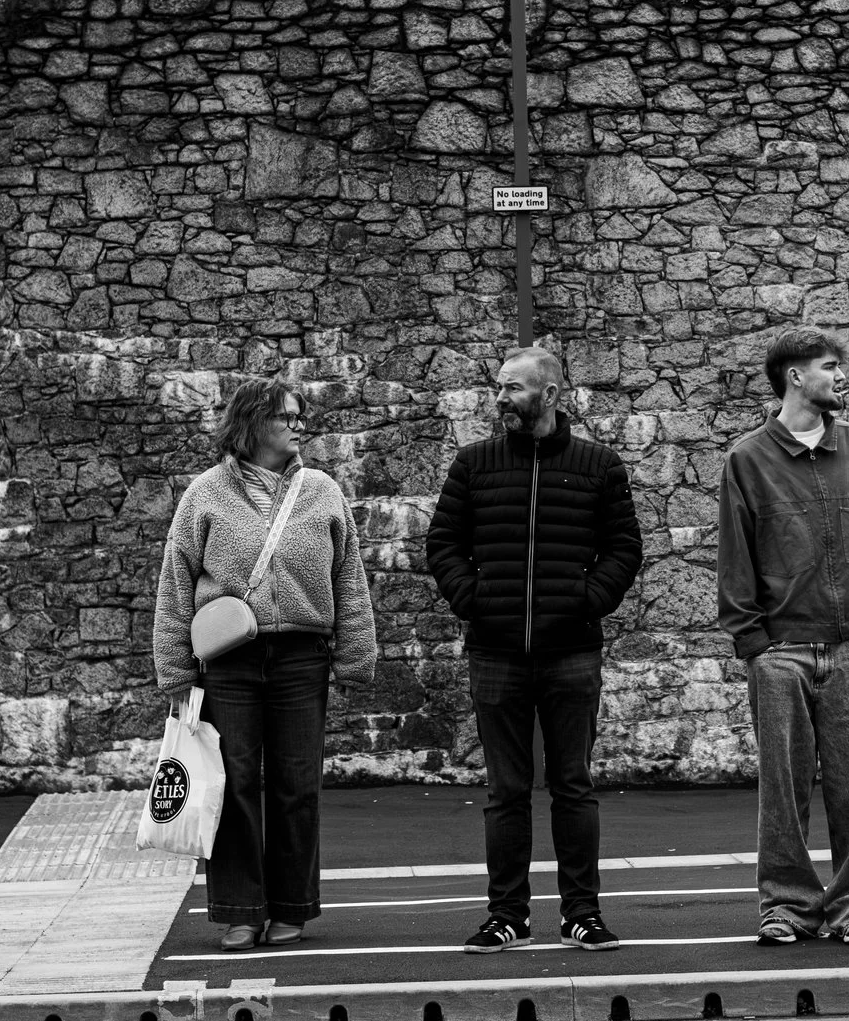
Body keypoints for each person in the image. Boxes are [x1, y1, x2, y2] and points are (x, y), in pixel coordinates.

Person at [426, 346, 643, 954]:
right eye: (499, 387)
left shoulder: (598, 466)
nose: (500, 398)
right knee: (506, 789)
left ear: (549, 395)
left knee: (573, 783)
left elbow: (624, 548)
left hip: (572, 649)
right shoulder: (474, 464)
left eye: (513, 388)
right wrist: (475, 600)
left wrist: (585, 600)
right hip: (495, 651)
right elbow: (442, 544)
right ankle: (508, 914)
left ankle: (582, 913)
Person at [153, 375, 376, 951]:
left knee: (297, 786)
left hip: (302, 657)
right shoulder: (206, 493)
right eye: (288, 418)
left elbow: (348, 578)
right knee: (234, 784)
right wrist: (175, 671)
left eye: (301, 416)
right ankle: (240, 911)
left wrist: (355, 657)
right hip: (230, 661)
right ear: (252, 426)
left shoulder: (323, 491)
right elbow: (176, 582)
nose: (300, 426)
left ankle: (293, 906)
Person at [715, 327, 849, 947]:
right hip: (783, 651)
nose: (843, 376)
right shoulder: (747, 459)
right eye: (831, 367)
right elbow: (734, 555)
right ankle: (788, 907)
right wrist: (753, 641)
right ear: (796, 377)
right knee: (784, 789)